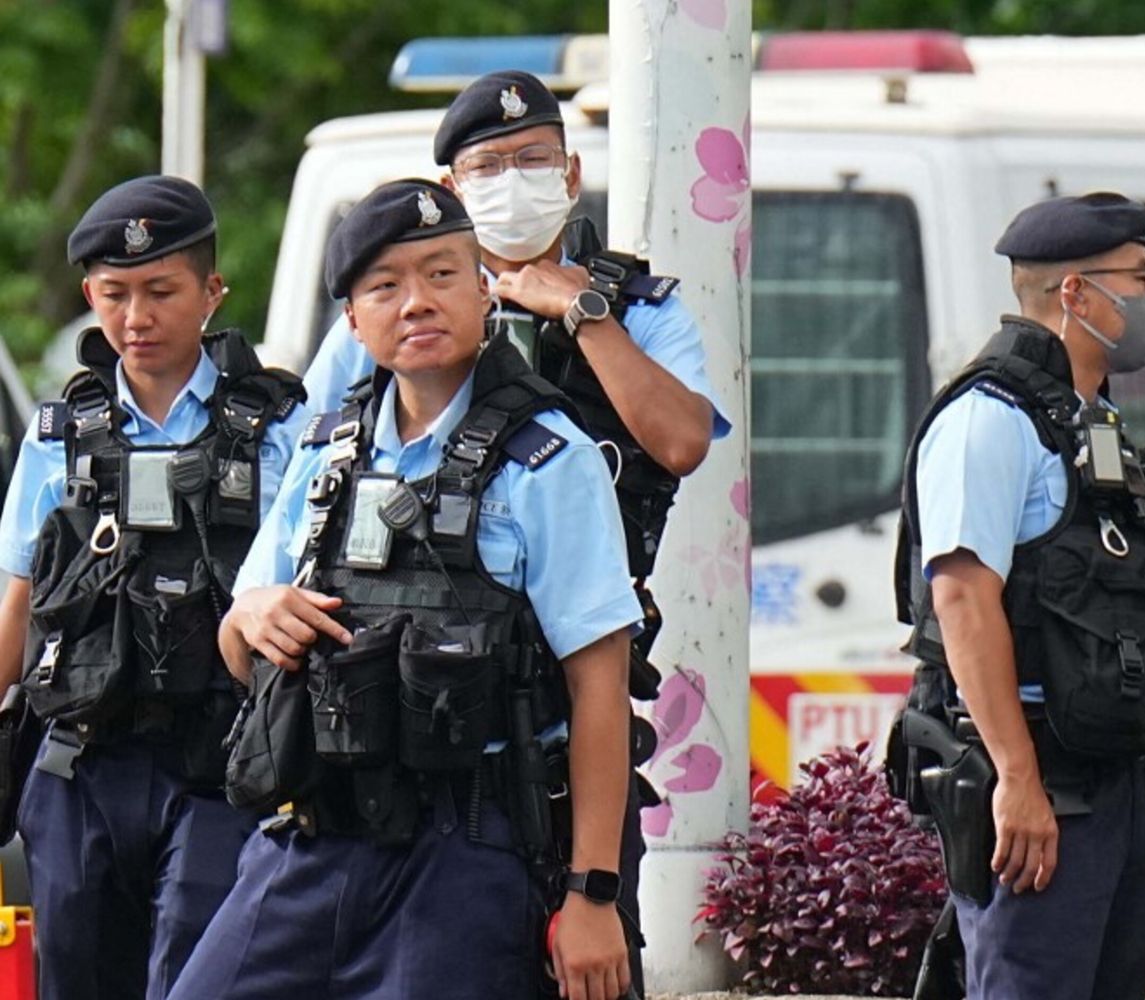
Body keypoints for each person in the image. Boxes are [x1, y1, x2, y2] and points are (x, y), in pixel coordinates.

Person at [304, 71, 731, 983]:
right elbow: (313, 472)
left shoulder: (639, 306)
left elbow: (683, 440)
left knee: (590, 943)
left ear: (572, 175)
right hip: (416, 679)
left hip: (575, 670)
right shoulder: (398, 307)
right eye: (489, 167)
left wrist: (581, 313)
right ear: (454, 191)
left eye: (533, 161)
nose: (514, 182)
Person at [168, 179, 638, 1000]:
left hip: (463, 847)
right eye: (385, 286)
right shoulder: (327, 450)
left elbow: (599, 687)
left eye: (442, 275)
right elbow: (241, 644)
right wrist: (253, 615)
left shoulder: (549, 457)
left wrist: (592, 894)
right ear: (353, 319)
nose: (416, 303)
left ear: (483, 289)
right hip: (313, 835)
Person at [891, 192, 1145, 1000]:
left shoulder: (1092, 423)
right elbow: (962, 601)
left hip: (1112, 780)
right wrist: (1017, 778)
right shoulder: (988, 420)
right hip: (1039, 777)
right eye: (1140, 280)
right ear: (1074, 294)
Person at [0, 175, 307, 1000]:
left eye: (160, 292)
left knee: (196, 977)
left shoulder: (280, 426)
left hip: (219, 763)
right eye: (114, 294)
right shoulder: (61, 433)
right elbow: (18, 599)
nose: (136, 318)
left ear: (212, 291)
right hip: (80, 765)